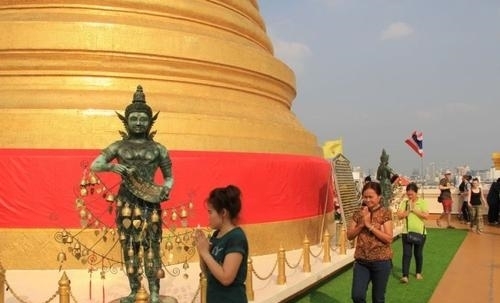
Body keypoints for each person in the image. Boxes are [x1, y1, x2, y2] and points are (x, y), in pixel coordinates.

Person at [91, 85, 174, 303]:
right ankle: (134, 289)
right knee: (129, 245)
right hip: (126, 202)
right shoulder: (118, 146)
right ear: (126, 121)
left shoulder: (158, 149)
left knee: (152, 246)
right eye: (134, 118)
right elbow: (96, 164)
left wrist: (166, 188)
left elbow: (169, 176)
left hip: (151, 202)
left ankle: (155, 291)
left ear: (150, 122)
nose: (138, 122)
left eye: (143, 119)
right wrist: (112, 168)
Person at [194, 185, 249, 303]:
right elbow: (207, 272)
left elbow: (226, 278)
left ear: (223, 212)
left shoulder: (236, 237)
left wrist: (205, 253)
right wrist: (201, 250)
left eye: (210, 212)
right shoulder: (215, 235)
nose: (208, 217)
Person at [347, 181, 393, 303]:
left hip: (381, 261)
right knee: (357, 296)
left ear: (379, 197)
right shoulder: (358, 213)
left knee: (378, 298)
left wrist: (370, 226)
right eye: (365, 197)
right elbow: (350, 235)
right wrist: (361, 224)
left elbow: (388, 238)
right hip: (362, 261)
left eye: (371, 197)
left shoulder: (385, 213)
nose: (367, 200)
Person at [397, 182, 429, 283]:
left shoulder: (422, 202)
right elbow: (399, 216)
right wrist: (408, 210)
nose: (410, 196)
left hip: (420, 233)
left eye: (412, 194)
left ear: (416, 193)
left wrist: (414, 210)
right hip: (407, 232)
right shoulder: (404, 203)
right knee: (406, 254)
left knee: (418, 254)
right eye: (408, 194)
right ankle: (405, 276)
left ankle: (418, 272)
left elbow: (426, 216)